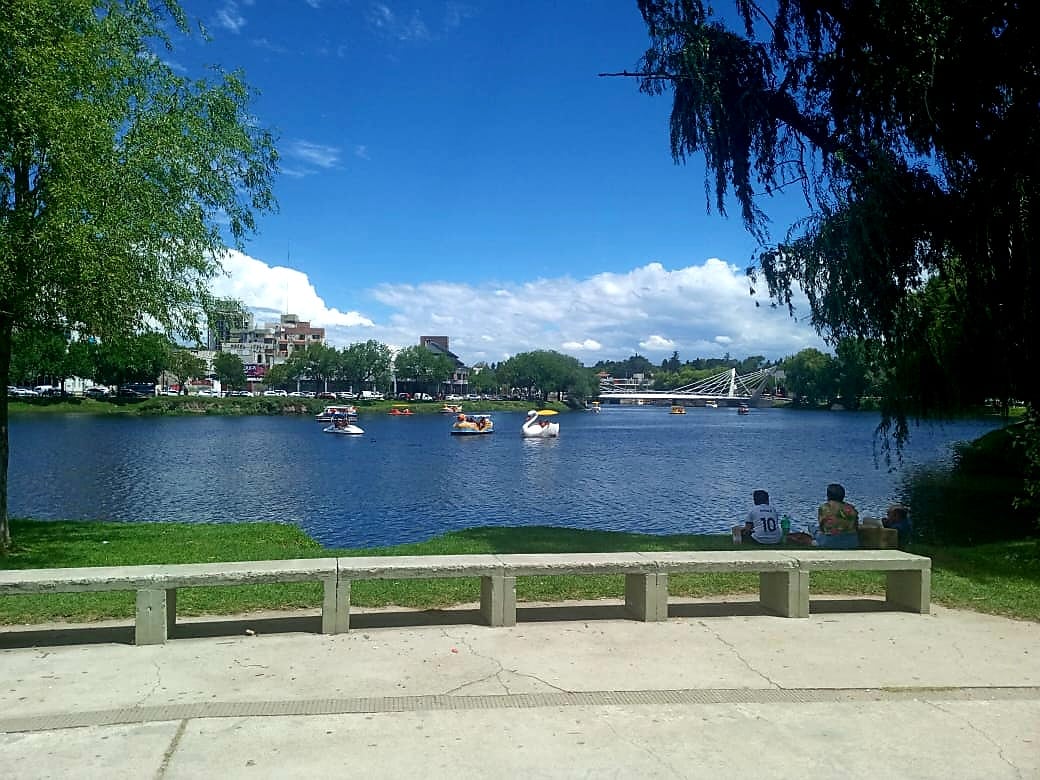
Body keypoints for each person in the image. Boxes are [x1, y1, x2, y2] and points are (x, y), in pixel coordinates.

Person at [816, 483, 860, 549]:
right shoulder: (851, 508)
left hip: (830, 542)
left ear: (828, 495)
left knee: (813, 529)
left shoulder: (825, 507)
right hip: (851, 542)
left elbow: (822, 526)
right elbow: (856, 526)